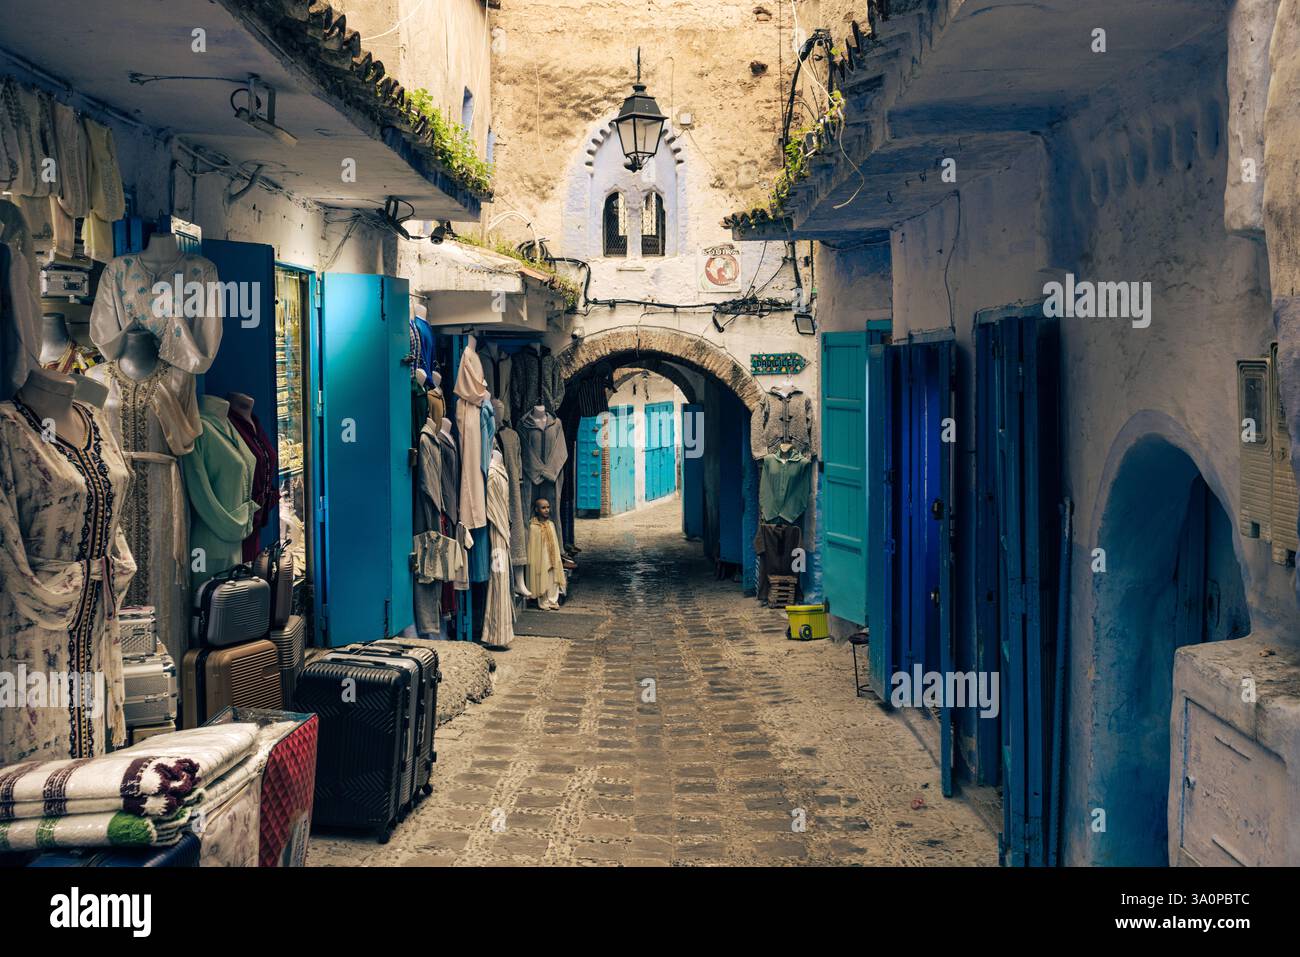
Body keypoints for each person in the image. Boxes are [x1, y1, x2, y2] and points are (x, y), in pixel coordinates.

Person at [526, 498, 566, 610]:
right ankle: (543, 600)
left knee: (553, 578)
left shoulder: (551, 525)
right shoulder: (533, 527)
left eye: (548, 507)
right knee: (541, 578)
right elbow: (532, 547)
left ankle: (553, 600)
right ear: (536, 509)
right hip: (540, 559)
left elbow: (555, 544)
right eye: (543, 508)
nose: (547, 510)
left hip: (552, 557)